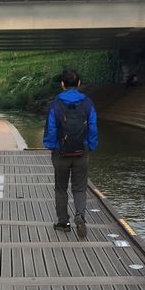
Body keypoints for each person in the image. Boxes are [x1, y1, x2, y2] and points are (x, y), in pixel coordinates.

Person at [43, 68, 98, 239]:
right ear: (79, 83)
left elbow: (51, 129)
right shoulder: (87, 103)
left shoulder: (55, 104)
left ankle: (63, 222)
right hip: (81, 152)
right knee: (80, 188)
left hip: (61, 153)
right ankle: (80, 215)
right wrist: (90, 145)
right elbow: (93, 126)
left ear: (62, 84)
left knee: (61, 188)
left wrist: (52, 145)